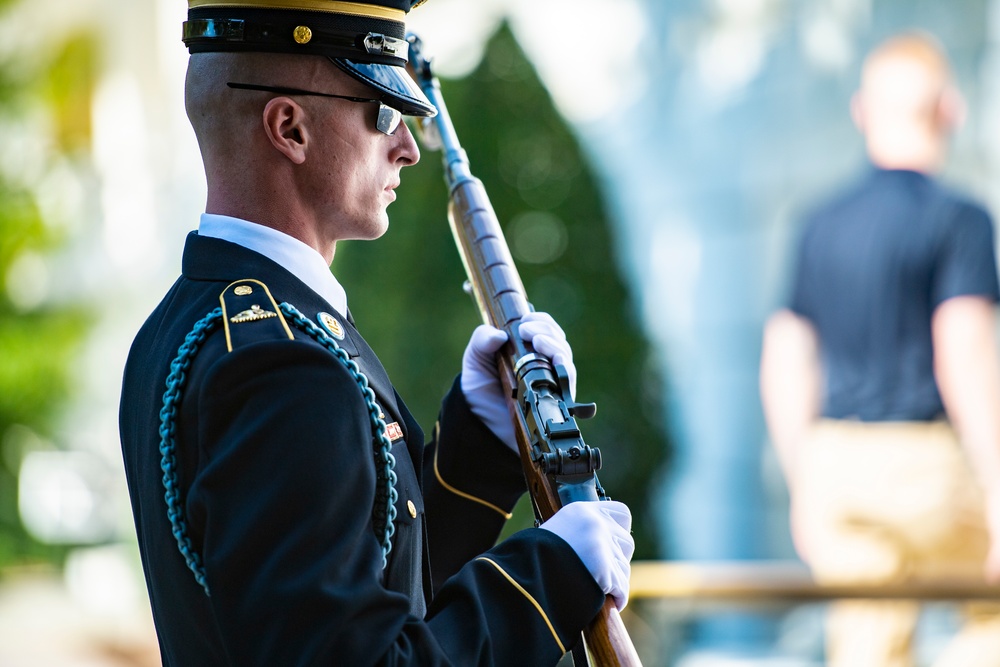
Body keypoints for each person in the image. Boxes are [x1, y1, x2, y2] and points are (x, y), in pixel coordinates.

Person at [118, 1, 634, 664]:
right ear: (290, 129)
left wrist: (481, 437)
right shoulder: (285, 367)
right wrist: (548, 574)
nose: (408, 148)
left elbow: (363, 582)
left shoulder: (188, 323)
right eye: (384, 113)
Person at [760, 31, 1000, 667]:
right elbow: (965, 353)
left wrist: (804, 481)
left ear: (862, 112)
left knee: (867, 644)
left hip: (839, 468)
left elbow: (785, 359)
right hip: (932, 469)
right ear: (950, 109)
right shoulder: (960, 220)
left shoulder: (820, 222)